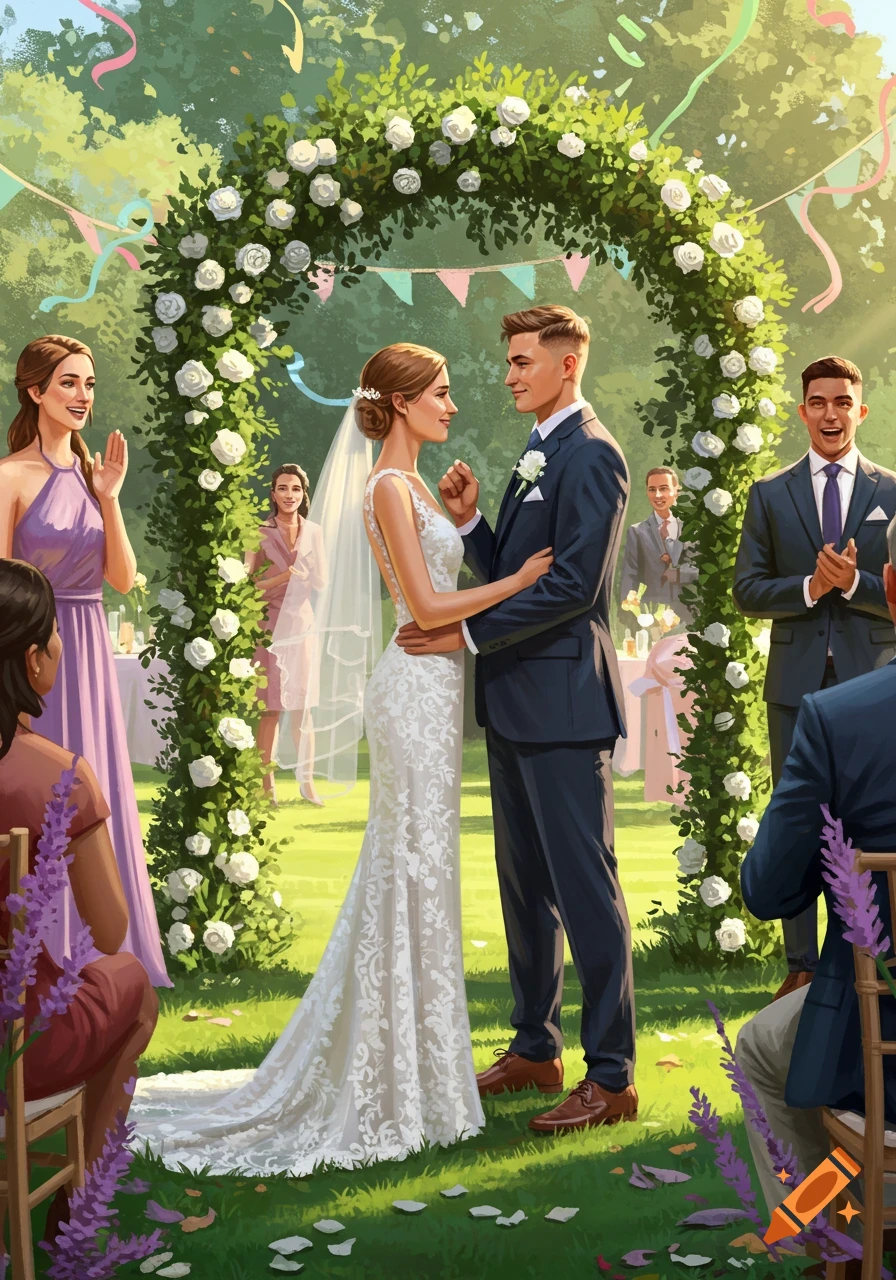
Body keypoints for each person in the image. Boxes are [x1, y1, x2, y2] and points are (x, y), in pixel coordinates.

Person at [130, 343, 553, 1176]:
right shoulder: (389, 488)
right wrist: (518, 582)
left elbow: (437, 586)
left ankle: (425, 1075)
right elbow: (425, 604)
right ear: (398, 404)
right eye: (438, 392)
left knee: (421, 875)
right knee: (409, 869)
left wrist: (469, 525)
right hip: (411, 690)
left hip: (433, 690)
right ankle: (396, 1077)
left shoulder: (421, 485)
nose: (452, 405)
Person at [398, 304, 637, 1134]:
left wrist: (457, 634)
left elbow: (573, 588)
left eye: (523, 361)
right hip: (514, 703)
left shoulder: (594, 454)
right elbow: (517, 573)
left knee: (585, 891)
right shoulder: (540, 450)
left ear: (568, 365)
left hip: (567, 704)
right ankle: (536, 1048)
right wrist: (472, 525)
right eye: (508, 361)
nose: (508, 375)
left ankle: (612, 1076)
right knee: (524, 889)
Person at [735, 517, 896, 1262]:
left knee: (763, 1046)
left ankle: (827, 1237)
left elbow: (767, 890)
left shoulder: (841, 719)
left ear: (888, 590)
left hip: (882, 1047)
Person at [0, 335, 168, 987]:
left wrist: (111, 494)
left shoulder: (93, 477)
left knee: (95, 782)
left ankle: (100, 944)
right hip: (32, 646)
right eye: (68, 383)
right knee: (38, 788)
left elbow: (122, 578)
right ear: (35, 390)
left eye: (89, 384)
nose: (81, 396)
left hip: (89, 640)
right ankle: (34, 947)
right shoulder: (10, 476)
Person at [0, 559, 158, 1235]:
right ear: (33, 660)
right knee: (132, 987)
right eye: (55, 637)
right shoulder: (57, 775)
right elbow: (113, 926)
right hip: (20, 1042)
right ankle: (77, 1200)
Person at [734, 355, 896, 1002]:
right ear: (802, 411)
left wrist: (852, 583)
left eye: (842, 402)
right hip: (794, 686)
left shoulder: (891, 492)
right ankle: (800, 965)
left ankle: (872, 953)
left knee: (875, 822)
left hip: (876, 684)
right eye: (818, 402)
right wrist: (809, 586)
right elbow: (746, 589)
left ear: (860, 410)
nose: (831, 413)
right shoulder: (769, 494)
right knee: (794, 816)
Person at [246, 463, 325, 807]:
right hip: (268, 627)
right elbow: (247, 586)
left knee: (303, 707)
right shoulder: (258, 531)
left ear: (303, 493)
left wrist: (308, 575)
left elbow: (323, 582)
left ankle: (307, 784)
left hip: (302, 626)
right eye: (282, 488)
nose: (289, 495)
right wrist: (282, 579)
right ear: (273, 493)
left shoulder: (315, 532)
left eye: (295, 488)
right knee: (270, 708)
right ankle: (266, 786)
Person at [620, 466, 697, 623]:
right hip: (652, 617)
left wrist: (679, 575)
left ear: (677, 490)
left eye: (663, 488)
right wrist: (631, 611)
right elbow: (630, 574)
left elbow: (704, 571)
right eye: (652, 489)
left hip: (691, 614)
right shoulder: (637, 532)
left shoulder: (693, 528)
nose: (658, 495)